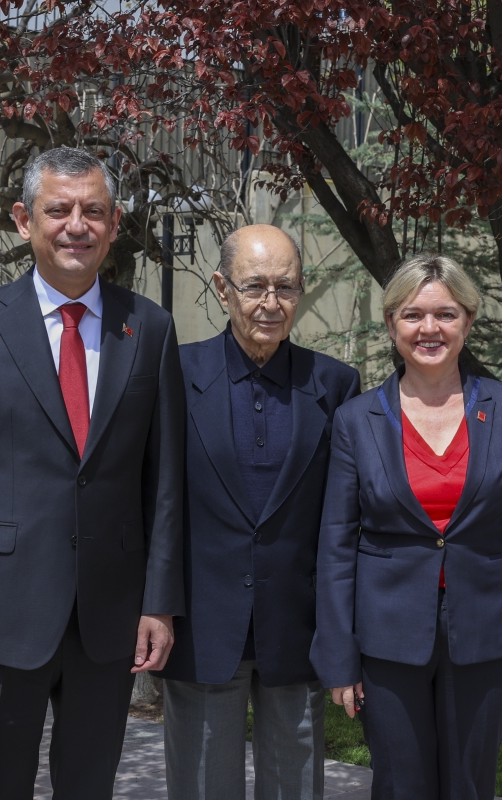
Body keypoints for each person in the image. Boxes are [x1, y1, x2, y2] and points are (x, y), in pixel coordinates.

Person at [0, 146, 185, 800]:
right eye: (58, 210)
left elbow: (166, 482)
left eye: (93, 211)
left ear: (114, 222)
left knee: (90, 786)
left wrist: (159, 603)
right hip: (4, 609)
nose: (76, 226)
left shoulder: (148, 329)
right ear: (22, 220)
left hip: (110, 614)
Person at [310, 253, 502, 800]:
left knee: (470, 785)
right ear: (392, 322)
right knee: (400, 785)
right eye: (412, 314)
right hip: (387, 637)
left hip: (488, 632)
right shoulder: (357, 420)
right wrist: (338, 657)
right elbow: (336, 546)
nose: (429, 329)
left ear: (468, 320)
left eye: (445, 314)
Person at [158, 225, 360, 800]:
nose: (271, 303)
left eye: (286, 287)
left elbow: (352, 510)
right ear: (223, 289)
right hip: (201, 626)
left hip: (297, 629)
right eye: (254, 286)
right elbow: (116, 472)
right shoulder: (174, 374)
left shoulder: (335, 386)